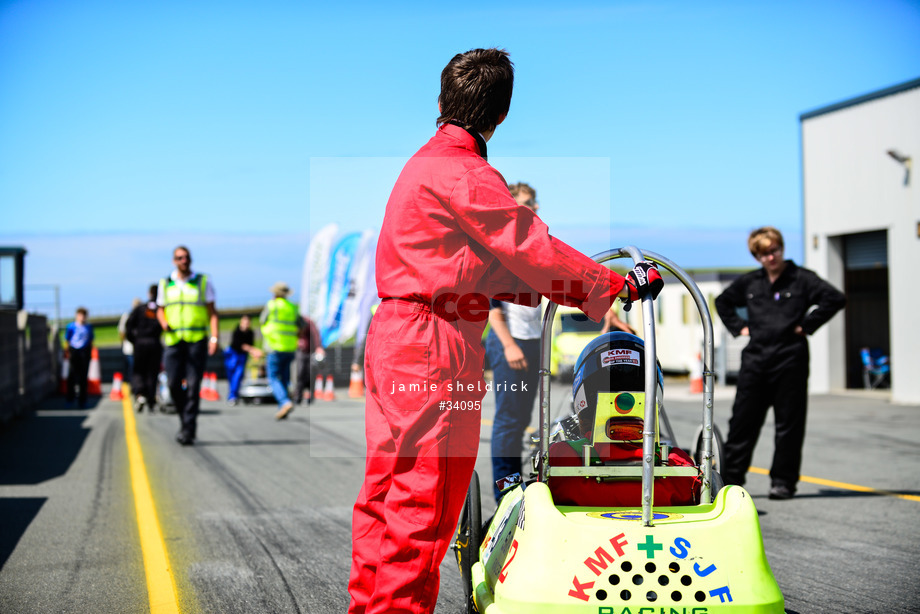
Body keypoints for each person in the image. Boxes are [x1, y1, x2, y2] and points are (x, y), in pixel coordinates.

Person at [346, 48, 662, 614]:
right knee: (425, 500)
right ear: (502, 116)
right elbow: (528, 247)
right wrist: (615, 287)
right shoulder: (466, 172)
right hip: (433, 342)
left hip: (395, 332)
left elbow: (487, 268)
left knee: (385, 493)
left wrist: (567, 288)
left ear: (440, 102)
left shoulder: (422, 162)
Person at [715, 226, 845, 500]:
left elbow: (835, 298)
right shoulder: (750, 283)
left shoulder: (803, 279)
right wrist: (740, 328)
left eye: (774, 250)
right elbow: (723, 302)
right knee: (742, 422)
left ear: (782, 249)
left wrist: (807, 326)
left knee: (789, 424)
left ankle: (783, 482)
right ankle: (731, 481)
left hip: (790, 360)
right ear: (756, 256)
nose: (771, 257)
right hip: (756, 360)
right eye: (764, 254)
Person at [484, 182, 543, 503]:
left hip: (532, 342)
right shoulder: (502, 251)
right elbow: (493, 310)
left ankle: (518, 484)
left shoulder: (534, 249)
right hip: (509, 342)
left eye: (535, 203)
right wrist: (509, 345)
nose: (533, 208)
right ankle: (505, 492)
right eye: (526, 204)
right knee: (508, 420)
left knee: (522, 420)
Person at [157, 245, 219, 446]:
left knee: (193, 386)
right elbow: (160, 309)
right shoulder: (165, 283)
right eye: (180, 258)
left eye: (187, 257)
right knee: (174, 383)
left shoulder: (202, 282)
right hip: (174, 341)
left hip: (196, 341)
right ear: (174, 261)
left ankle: (188, 429)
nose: (184, 260)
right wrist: (163, 322)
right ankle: (185, 419)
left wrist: (214, 338)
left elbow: (212, 313)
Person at [261, 282, 305, 420]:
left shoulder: (271, 305)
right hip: (289, 347)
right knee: (285, 377)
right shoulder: (292, 307)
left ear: (275, 293)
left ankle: (284, 402)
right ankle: (283, 407)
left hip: (274, 346)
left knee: (273, 377)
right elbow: (302, 325)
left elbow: (263, 321)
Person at [125, 285, 164, 413]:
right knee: (152, 372)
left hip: (140, 343)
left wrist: (134, 341)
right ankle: (151, 400)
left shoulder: (140, 308)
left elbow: (128, 327)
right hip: (155, 343)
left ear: (149, 294)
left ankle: (140, 394)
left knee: (138, 371)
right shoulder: (161, 310)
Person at [224, 315, 262, 406]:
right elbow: (239, 345)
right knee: (231, 376)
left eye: (248, 322)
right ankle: (232, 393)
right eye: (244, 322)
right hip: (232, 354)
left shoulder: (250, 333)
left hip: (242, 355)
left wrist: (254, 353)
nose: (246, 324)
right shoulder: (237, 331)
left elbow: (250, 346)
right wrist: (252, 350)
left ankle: (233, 396)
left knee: (238, 375)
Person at [63, 307, 94, 408]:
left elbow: (91, 340)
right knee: (72, 376)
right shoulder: (71, 326)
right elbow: (67, 339)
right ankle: (70, 398)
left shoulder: (89, 327)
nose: (82, 318)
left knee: (83, 377)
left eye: (84, 316)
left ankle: (82, 400)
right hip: (74, 351)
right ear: (77, 316)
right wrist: (67, 351)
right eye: (80, 315)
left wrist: (90, 352)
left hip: (84, 352)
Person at [292, 315, 324, 405]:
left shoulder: (308, 322)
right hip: (300, 351)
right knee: (300, 374)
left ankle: (310, 396)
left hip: (310, 351)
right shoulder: (294, 322)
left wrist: (318, 347)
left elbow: (315, 334)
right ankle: (297, 396)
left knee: (310, 374)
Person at [117, 298, 140, 381]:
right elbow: (122, 332)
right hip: (130, 348)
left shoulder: (128, 316)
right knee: (132, 369)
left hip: (137, 348)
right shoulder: (127, 316)